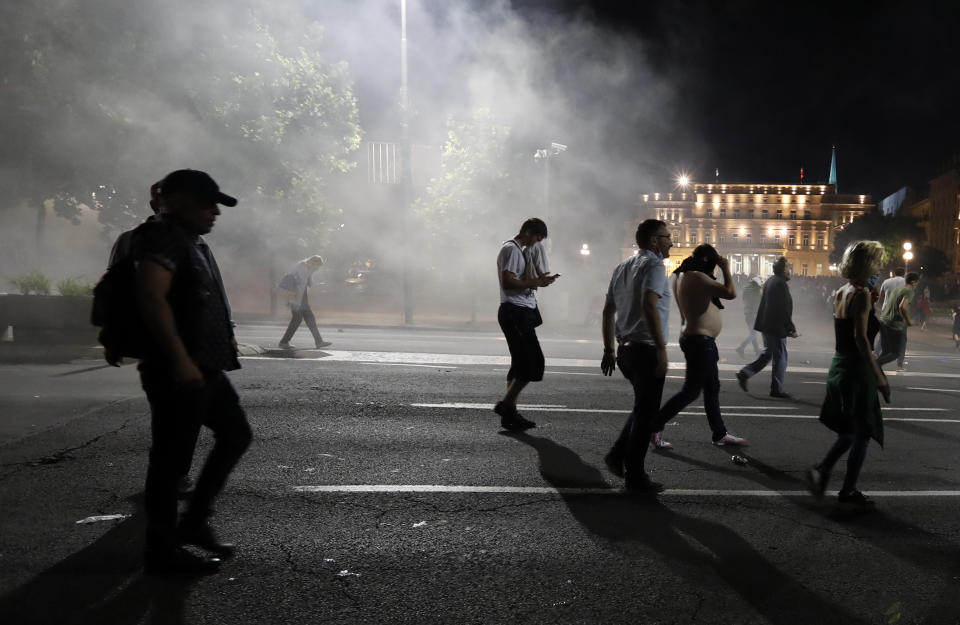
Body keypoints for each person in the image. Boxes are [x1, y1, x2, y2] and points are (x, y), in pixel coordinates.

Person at [132, 169, 253, 575]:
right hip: (178, 368)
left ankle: (194, 522)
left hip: (203, 365)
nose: (215, 212)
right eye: (207, 203)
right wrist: (180, 358)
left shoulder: (190, 241)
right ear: (179, 201)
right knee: (170, 461)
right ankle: (162, 550)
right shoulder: (162, 235)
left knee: (235, 433)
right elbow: (150, 295)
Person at [805, 241, 889, 508]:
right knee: (861, 431)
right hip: (856, 369)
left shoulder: (842, 291)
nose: (880, 266)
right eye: (877, 261)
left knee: (850, 430)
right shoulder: (861, 293)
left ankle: (822, 470)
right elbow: (861, 339)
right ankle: (848, 491)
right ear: (868, 264)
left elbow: (849, 331)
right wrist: (879, 375)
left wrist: (871, 303)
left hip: (840, 363)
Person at [601, 219, 672, 493]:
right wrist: (662, 348)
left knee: (642, 408)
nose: (671, 242)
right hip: (646, 349)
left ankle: (618, 456)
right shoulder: (654, 265)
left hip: (625, 350)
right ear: (654, 241)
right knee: (647, 414)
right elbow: (649, 305)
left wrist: (608, 349)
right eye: (667, 237)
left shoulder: (622, 266)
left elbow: (608, 310)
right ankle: (635, 476)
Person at [650, 245, 746, 448]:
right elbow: (730, 292)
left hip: (700, 340)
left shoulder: (683, 275)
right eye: (713, 266)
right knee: (691, 390)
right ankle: (655, 425)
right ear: (707, 262)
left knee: (712, 388)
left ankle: (719, 433)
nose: (714, 271)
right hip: (699, 341)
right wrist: (726, 268)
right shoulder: (696, 276)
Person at [494, 218, 558, 431]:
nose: (536, 244)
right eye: (536, 239)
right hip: (514, 311)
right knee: (533, 363)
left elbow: (521, 280)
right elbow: (508, 282)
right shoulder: (511, 250)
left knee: (519, 363)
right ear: (528, 233)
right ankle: (506, 405)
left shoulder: (520, 250)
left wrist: (540, 281)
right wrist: (536, 283)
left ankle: (510, 413)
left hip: (521, 310)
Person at [736, 257, 799, 399]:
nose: (790, 270)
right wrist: (791, 328)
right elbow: (783, 309)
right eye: (788, 267)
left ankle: (745, 373)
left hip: (767, 325)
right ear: (783, 270)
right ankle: (776, 389)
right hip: (775, 327)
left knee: (769, 354)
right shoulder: (780, 284)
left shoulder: (771, 281)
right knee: (781, 357)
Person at [278, 255, 332, 349]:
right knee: (298, 318)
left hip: (301, 296)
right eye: (317, 266)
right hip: (296, 296)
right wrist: (296, 302)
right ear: (313, 263)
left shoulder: (307, 268)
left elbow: (308, 283)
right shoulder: (302, 267)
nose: (318, 269)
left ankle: (318, 341)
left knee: (309, 318)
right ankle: (284, 342)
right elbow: (299, 285)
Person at [876, 272, 919, 372]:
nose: (917, 284)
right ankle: (874, 365)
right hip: (894, 324)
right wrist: (909, 321)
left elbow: (886, 303)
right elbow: (902, 307)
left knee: (886, 351)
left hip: (883, 321)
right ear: (913, 282)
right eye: (917, 282)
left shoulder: (896, 290)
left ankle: (875, 372)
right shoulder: (909, 291)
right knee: (895, 353)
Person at [735, 274, 763, 359]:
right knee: (753, 334)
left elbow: (744, 299)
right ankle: (741, 347)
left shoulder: (746, 289)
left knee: (753, 333)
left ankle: (757, 350)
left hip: (747, 313)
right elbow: (761, 300)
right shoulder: (757, 290)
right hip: (754, 313)